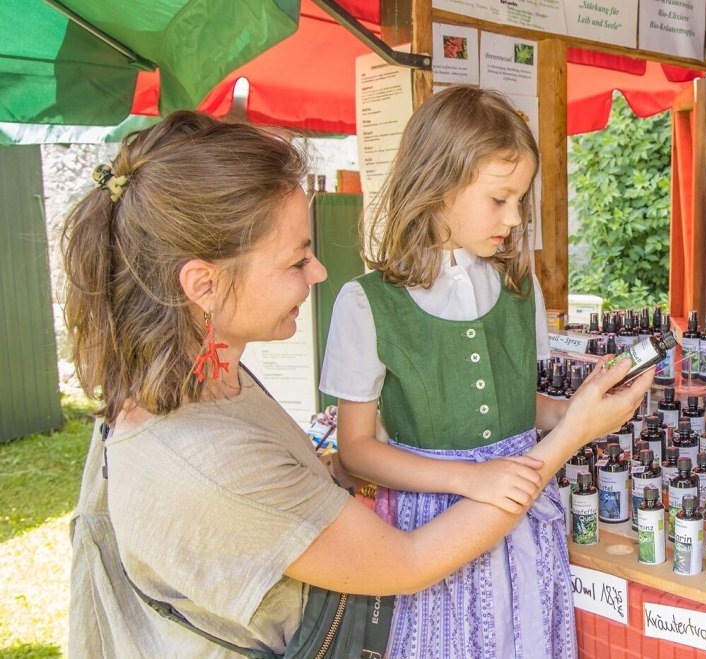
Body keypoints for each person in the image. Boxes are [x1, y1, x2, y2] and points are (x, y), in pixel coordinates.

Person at [64, 111, 652, 657]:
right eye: (297, 260)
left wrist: (338, 472)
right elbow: (409, 560)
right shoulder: (206, 457)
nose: (320, 271)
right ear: (204, 285)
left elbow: (298, 488)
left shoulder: (208, 381)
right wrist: (568, 434)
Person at [317, 85, 580, 657]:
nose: (514, 218)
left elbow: (521, 404)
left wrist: (575, 411)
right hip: (430, 529)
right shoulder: (366, 303)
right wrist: (469, 479)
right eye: (499, 199)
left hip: (523, 523)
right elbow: (356, 451)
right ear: (438, 187)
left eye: (520, 201)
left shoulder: (519, 286)